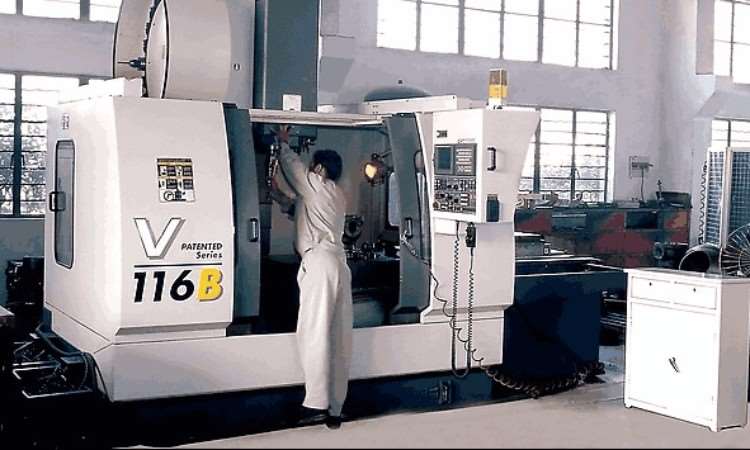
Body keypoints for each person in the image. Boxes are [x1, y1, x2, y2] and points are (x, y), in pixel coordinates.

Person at [270, 125, 353, 430]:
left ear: (319, 168)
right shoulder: (335, 194)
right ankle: (335, 407)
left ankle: (315, 404)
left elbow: (293, 167)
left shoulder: (316, 184)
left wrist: (283, 142)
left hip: (319, 263)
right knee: (338, 338)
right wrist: (278, 195)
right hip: (339, 265)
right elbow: (301, 208)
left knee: (314, 332)